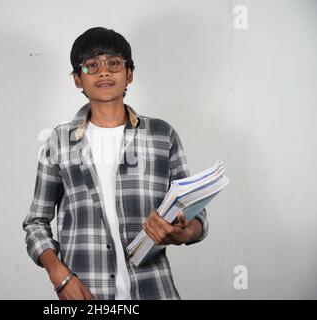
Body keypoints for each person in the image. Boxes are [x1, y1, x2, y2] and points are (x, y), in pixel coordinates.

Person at [22, 27, 208, 300]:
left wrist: (183, 232)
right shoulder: (59, 141)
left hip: (154, 290)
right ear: (77, 80)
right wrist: (59, 276)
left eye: (114, 63)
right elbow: (36, 222)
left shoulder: (161, 135)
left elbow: (196, 216)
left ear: (129, 74)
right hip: (86, 292)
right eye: (91, 66)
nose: (104, 72)